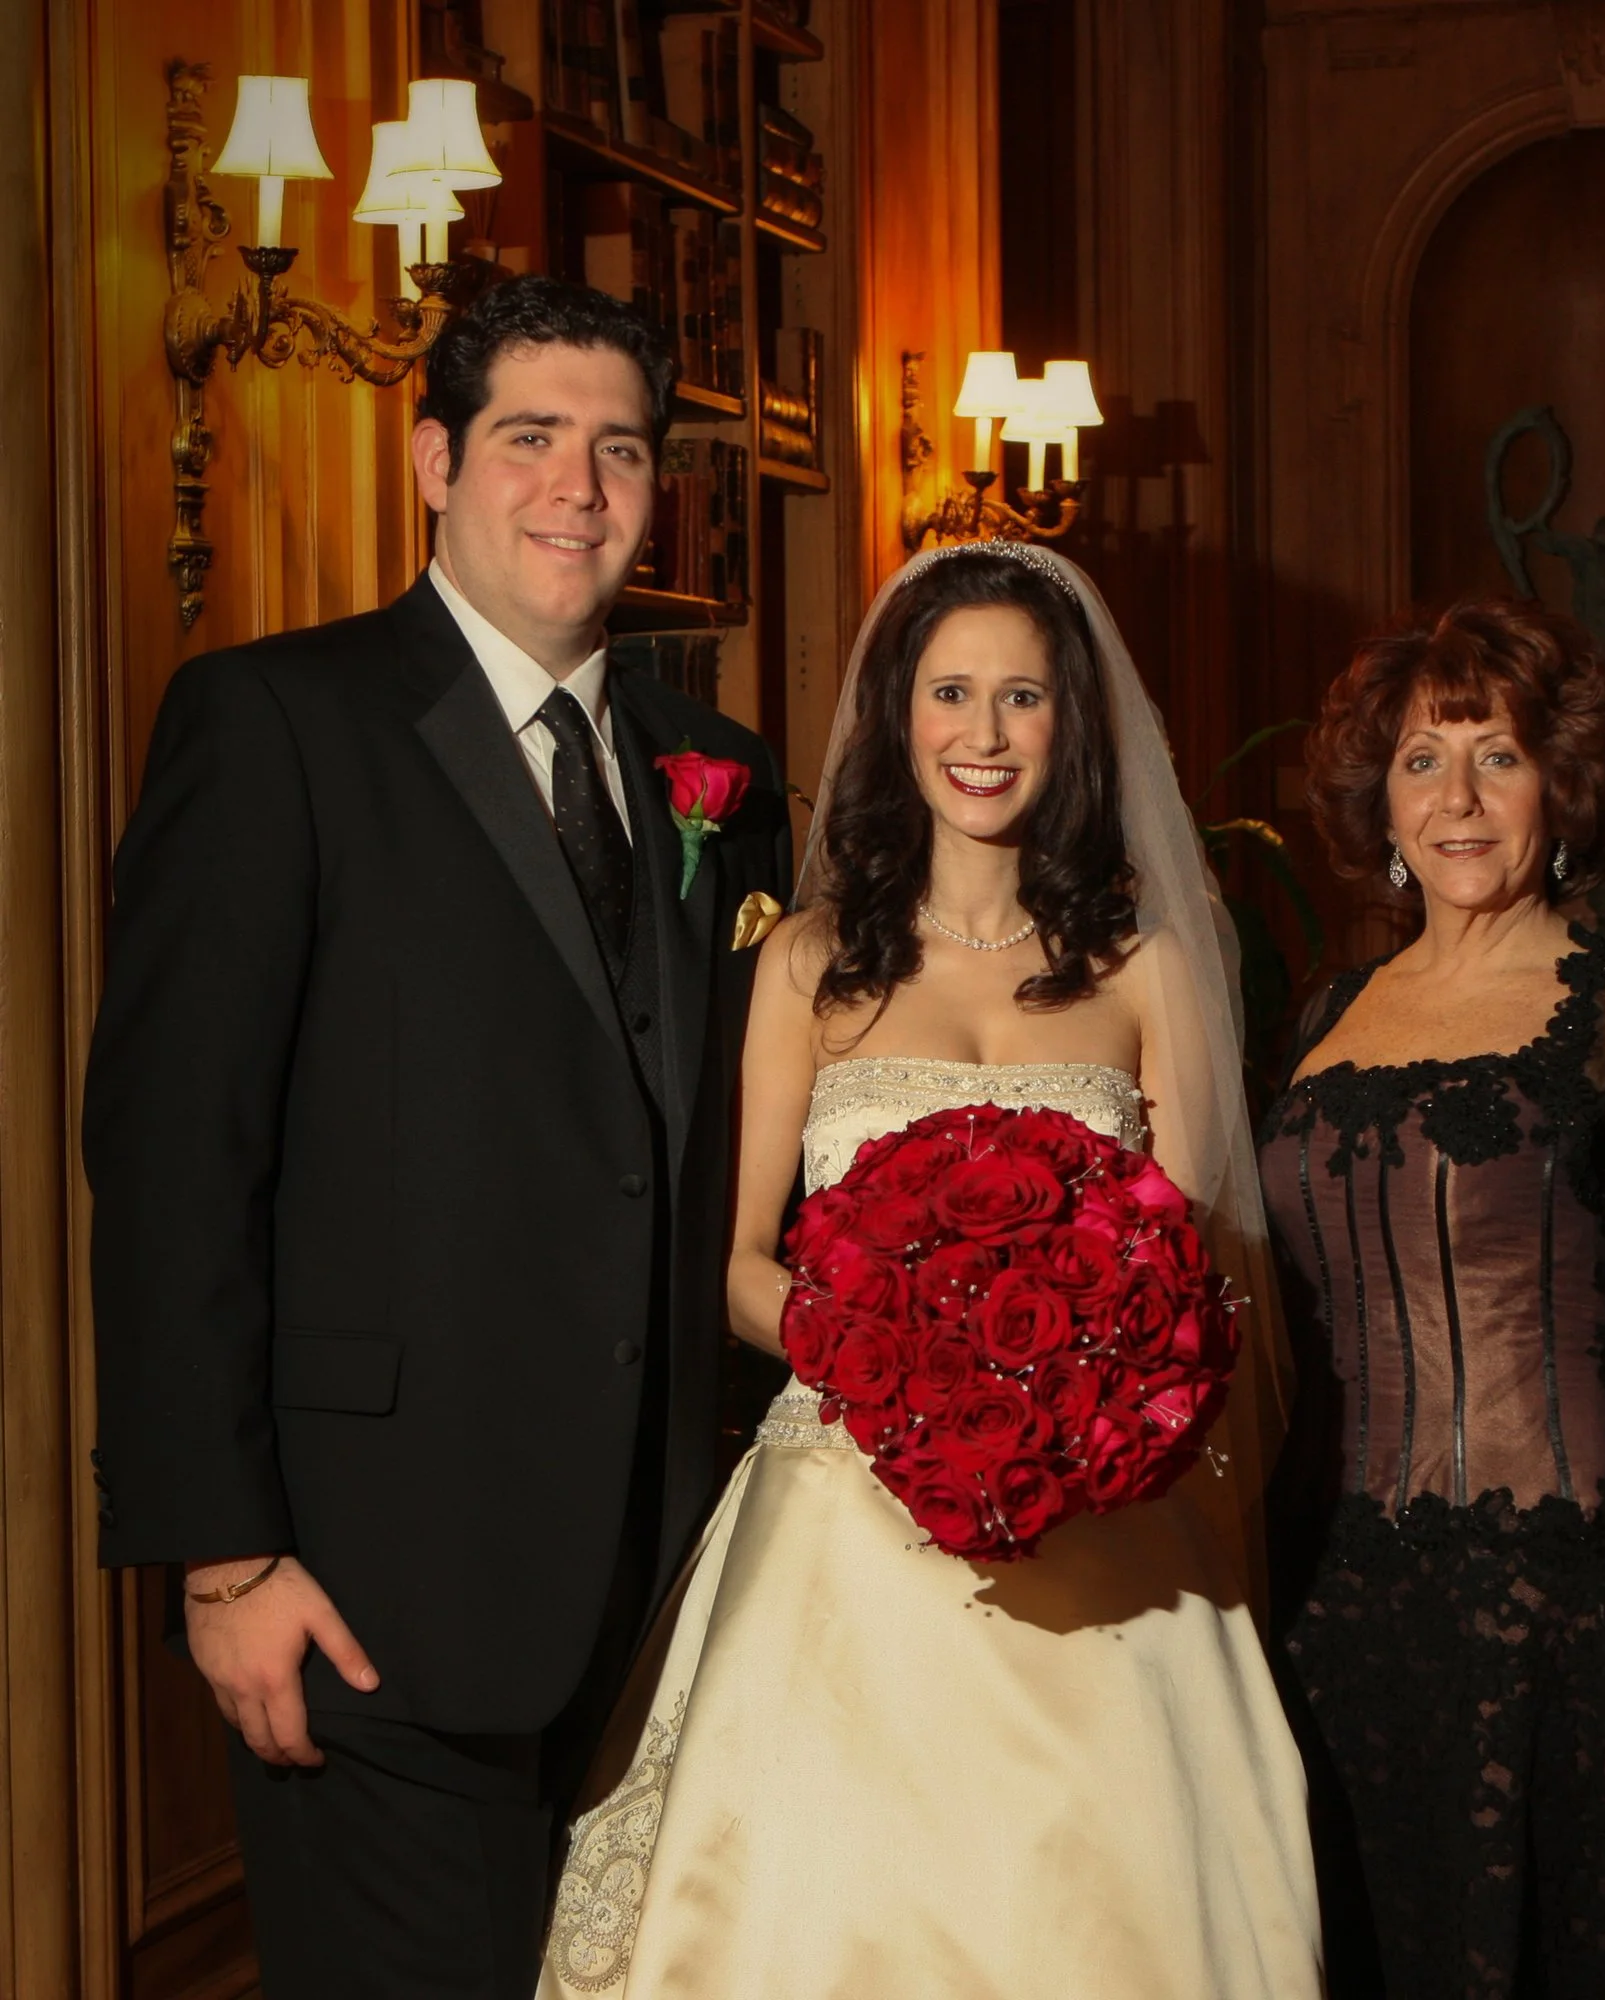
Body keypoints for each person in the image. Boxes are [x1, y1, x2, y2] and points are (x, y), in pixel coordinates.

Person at [84, 275, 790, 1996]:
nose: (578, 488)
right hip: (368, 1585)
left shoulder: (719, 769)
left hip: (665, 1593)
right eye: (530, 437)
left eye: (620, 449)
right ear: (433, 462)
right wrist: (223, 1558)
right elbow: (173, 1164)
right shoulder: (274, 724)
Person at [537, 542, 1323, 1998]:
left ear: (1070, 722)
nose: (985, 733)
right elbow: (737, 1263)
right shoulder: (810, 964)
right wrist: (892, 1362)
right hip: (847, 1509)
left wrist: (1079, 1398)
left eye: (1022, 696)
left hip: (1101, 1529)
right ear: (899, 714)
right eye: (952, 692)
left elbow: (1197, 1273)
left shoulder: (1148, 963)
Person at [1259, 596, 1605, 1999]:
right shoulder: (1322, 1014)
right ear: (1381, 798)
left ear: (1563, 785)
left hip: (1562, 1617)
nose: (1458, 800)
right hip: (1335, 1609)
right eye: (1423, 760)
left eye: (1500, 757)